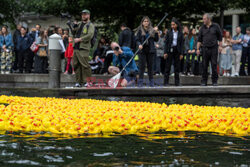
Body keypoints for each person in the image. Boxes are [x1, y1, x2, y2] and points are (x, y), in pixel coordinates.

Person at [197, 14, 222, 86]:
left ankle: (214, 81)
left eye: (204, 19)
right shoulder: (202, 28)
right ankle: (204, 81)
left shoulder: (216, 26)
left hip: (214, 48)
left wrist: (220, 47)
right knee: (204, 65)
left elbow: (220, 37)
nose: (203, 20)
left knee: (214, 64)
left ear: (209, 19)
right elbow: (199, 39)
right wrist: (198, 49)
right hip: (205, 49)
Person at [72, 9, 94, 87]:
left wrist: (80, 39)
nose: (83, 16)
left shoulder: (90, 25)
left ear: (88, 15)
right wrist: (72, 26)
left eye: (85, 14)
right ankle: (79, 82)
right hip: (76, 47)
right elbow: (73, 32)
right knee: (76, 65)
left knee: (85, 65)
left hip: (83, 48)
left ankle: (88, 81)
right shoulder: (79, 24)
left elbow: (90, 35)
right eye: (82, 14)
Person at [135, 16, 158, 87]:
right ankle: (140, 82)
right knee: (141, 67)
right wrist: (139, 45)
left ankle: (151, 82)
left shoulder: (152, 30)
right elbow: (137, 40)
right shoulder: (139, 30)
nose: (146, 23)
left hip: (150, 50)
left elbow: (156, 39)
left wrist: (156, 32)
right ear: (142, 23)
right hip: (142, 51)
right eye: (145, 21)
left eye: (147, 21)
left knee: (150, 67)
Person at [163, 18, 184, 86]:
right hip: (170, 50)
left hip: (177, 50)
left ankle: (177, 82)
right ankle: (166, 82)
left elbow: (181, 44)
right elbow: (166, 43)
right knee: (167, 66)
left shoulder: (180, 33)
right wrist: (165, 52)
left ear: (177, 25)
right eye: (171, 25)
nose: (172, 26)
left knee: (177, 67)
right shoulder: (169, 32)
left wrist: (181, 53)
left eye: (174, 25)